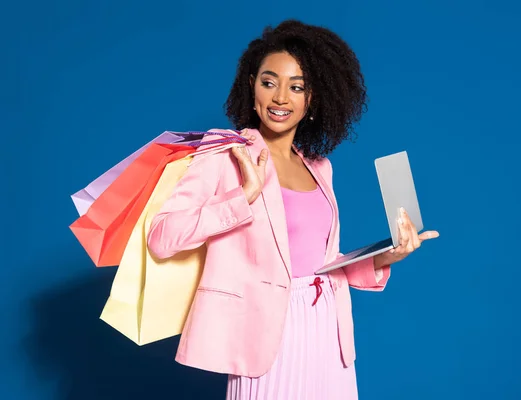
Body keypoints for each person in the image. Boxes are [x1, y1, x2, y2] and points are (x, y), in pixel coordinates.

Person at [147, 19, 439, 400]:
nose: (280, 97)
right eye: (269, 82)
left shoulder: (319, 168)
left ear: (312, 98)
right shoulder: (225, 153)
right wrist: (244, 196)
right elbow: (162, 237)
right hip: (264, 333)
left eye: (296, 87)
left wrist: (388, 256)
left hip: (327, 331)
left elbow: (322, 262)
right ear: (251, 87)